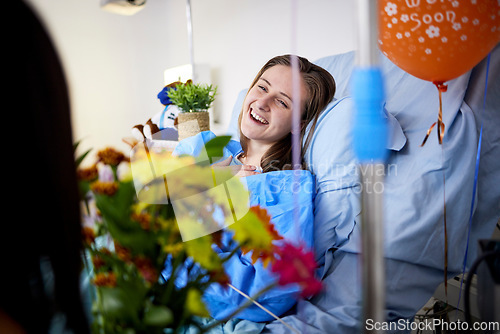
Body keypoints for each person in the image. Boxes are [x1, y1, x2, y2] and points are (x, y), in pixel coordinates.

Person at [165, 54, 335, 329]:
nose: (262, 103)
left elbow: (273, 292)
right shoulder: (209, 148)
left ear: (299, 124)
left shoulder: (286, 188)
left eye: (282, 101)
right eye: (262, 87)